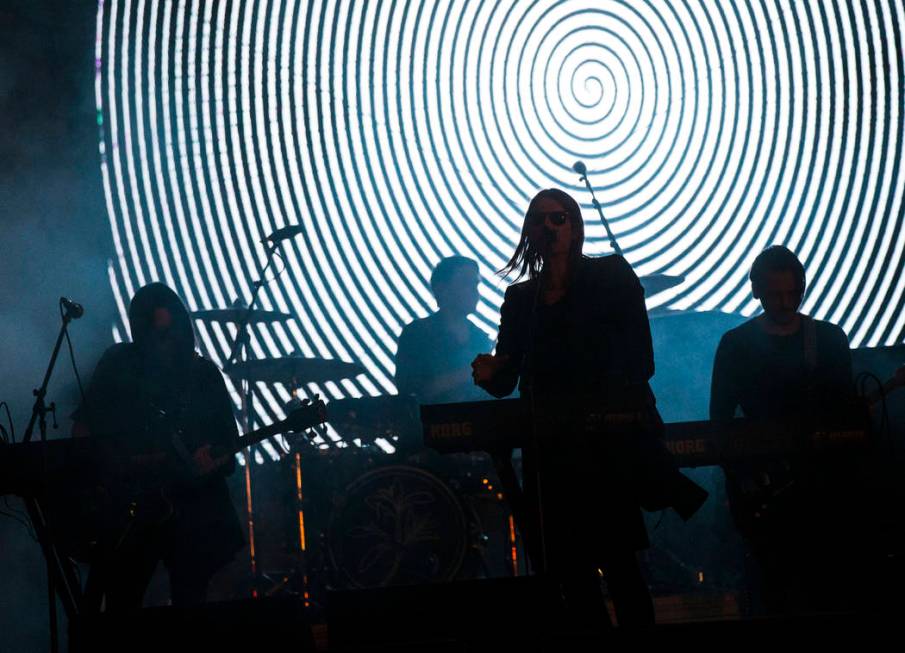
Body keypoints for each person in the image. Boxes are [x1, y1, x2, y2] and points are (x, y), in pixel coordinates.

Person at [470, 188, 695, 629]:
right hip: (551, 454)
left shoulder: (609, 276)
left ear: (575, 227)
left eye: (559, 218)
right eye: (540, 220)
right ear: (528, 231)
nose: (549, 227)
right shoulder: (521, 299)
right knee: (570, 575)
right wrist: (489, 374)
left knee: (620, 566)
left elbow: (641, 360)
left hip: (605, 448)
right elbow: (508, 379)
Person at [710, 245, 863, 614]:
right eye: (775, 295)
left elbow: (848, 418)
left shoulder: (828, 340)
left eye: (792, 294)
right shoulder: (736, 345)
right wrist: (744, 480)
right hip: (763, 491)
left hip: (822, 489)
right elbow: (720, 423)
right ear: (756, 291)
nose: (784, 303)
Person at [73, 283, 244, 610]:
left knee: (190, 602)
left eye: (171, 334)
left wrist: (213, 458)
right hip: (129, 510)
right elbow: (84, 427)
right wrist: (94, 484)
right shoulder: (119, 364)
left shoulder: (204, 375)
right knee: (120, 602)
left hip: (189, 512)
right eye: (155, 335)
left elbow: (228, 448)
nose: (165, 345)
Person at [395, 256, 492, 405]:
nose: (474, 291)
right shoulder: (417, 335)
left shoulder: (480, 338)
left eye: (475, 284)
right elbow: (409, 391)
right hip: (430, 423)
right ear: (441, 289)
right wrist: (466, 374)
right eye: (466, 283)